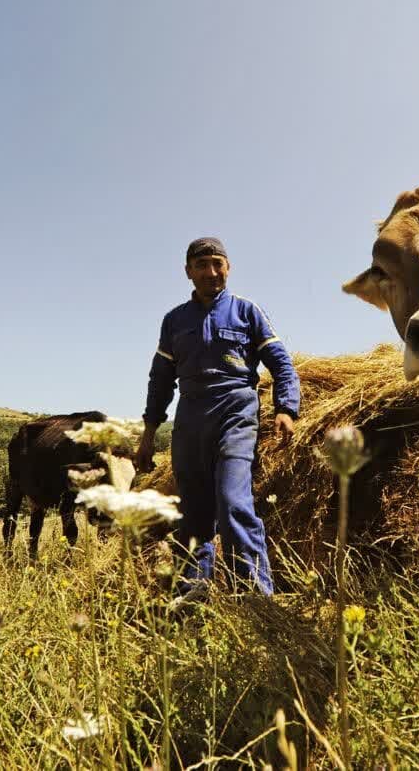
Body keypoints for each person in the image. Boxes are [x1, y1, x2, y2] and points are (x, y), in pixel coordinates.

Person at [137, 237, 300, 597]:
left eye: (217, 264)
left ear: (228, 267)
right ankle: (193, 592)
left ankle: (257, 597)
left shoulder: (247, 311)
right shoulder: (174, 321)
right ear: (188, 272)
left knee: (232, 502)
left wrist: (286, 408)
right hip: (190, 417)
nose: (211, 272)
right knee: (193, 511)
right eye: (202, 265)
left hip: (235, 412)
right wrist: (148, 434)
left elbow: (282, 364)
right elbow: (160, 381)